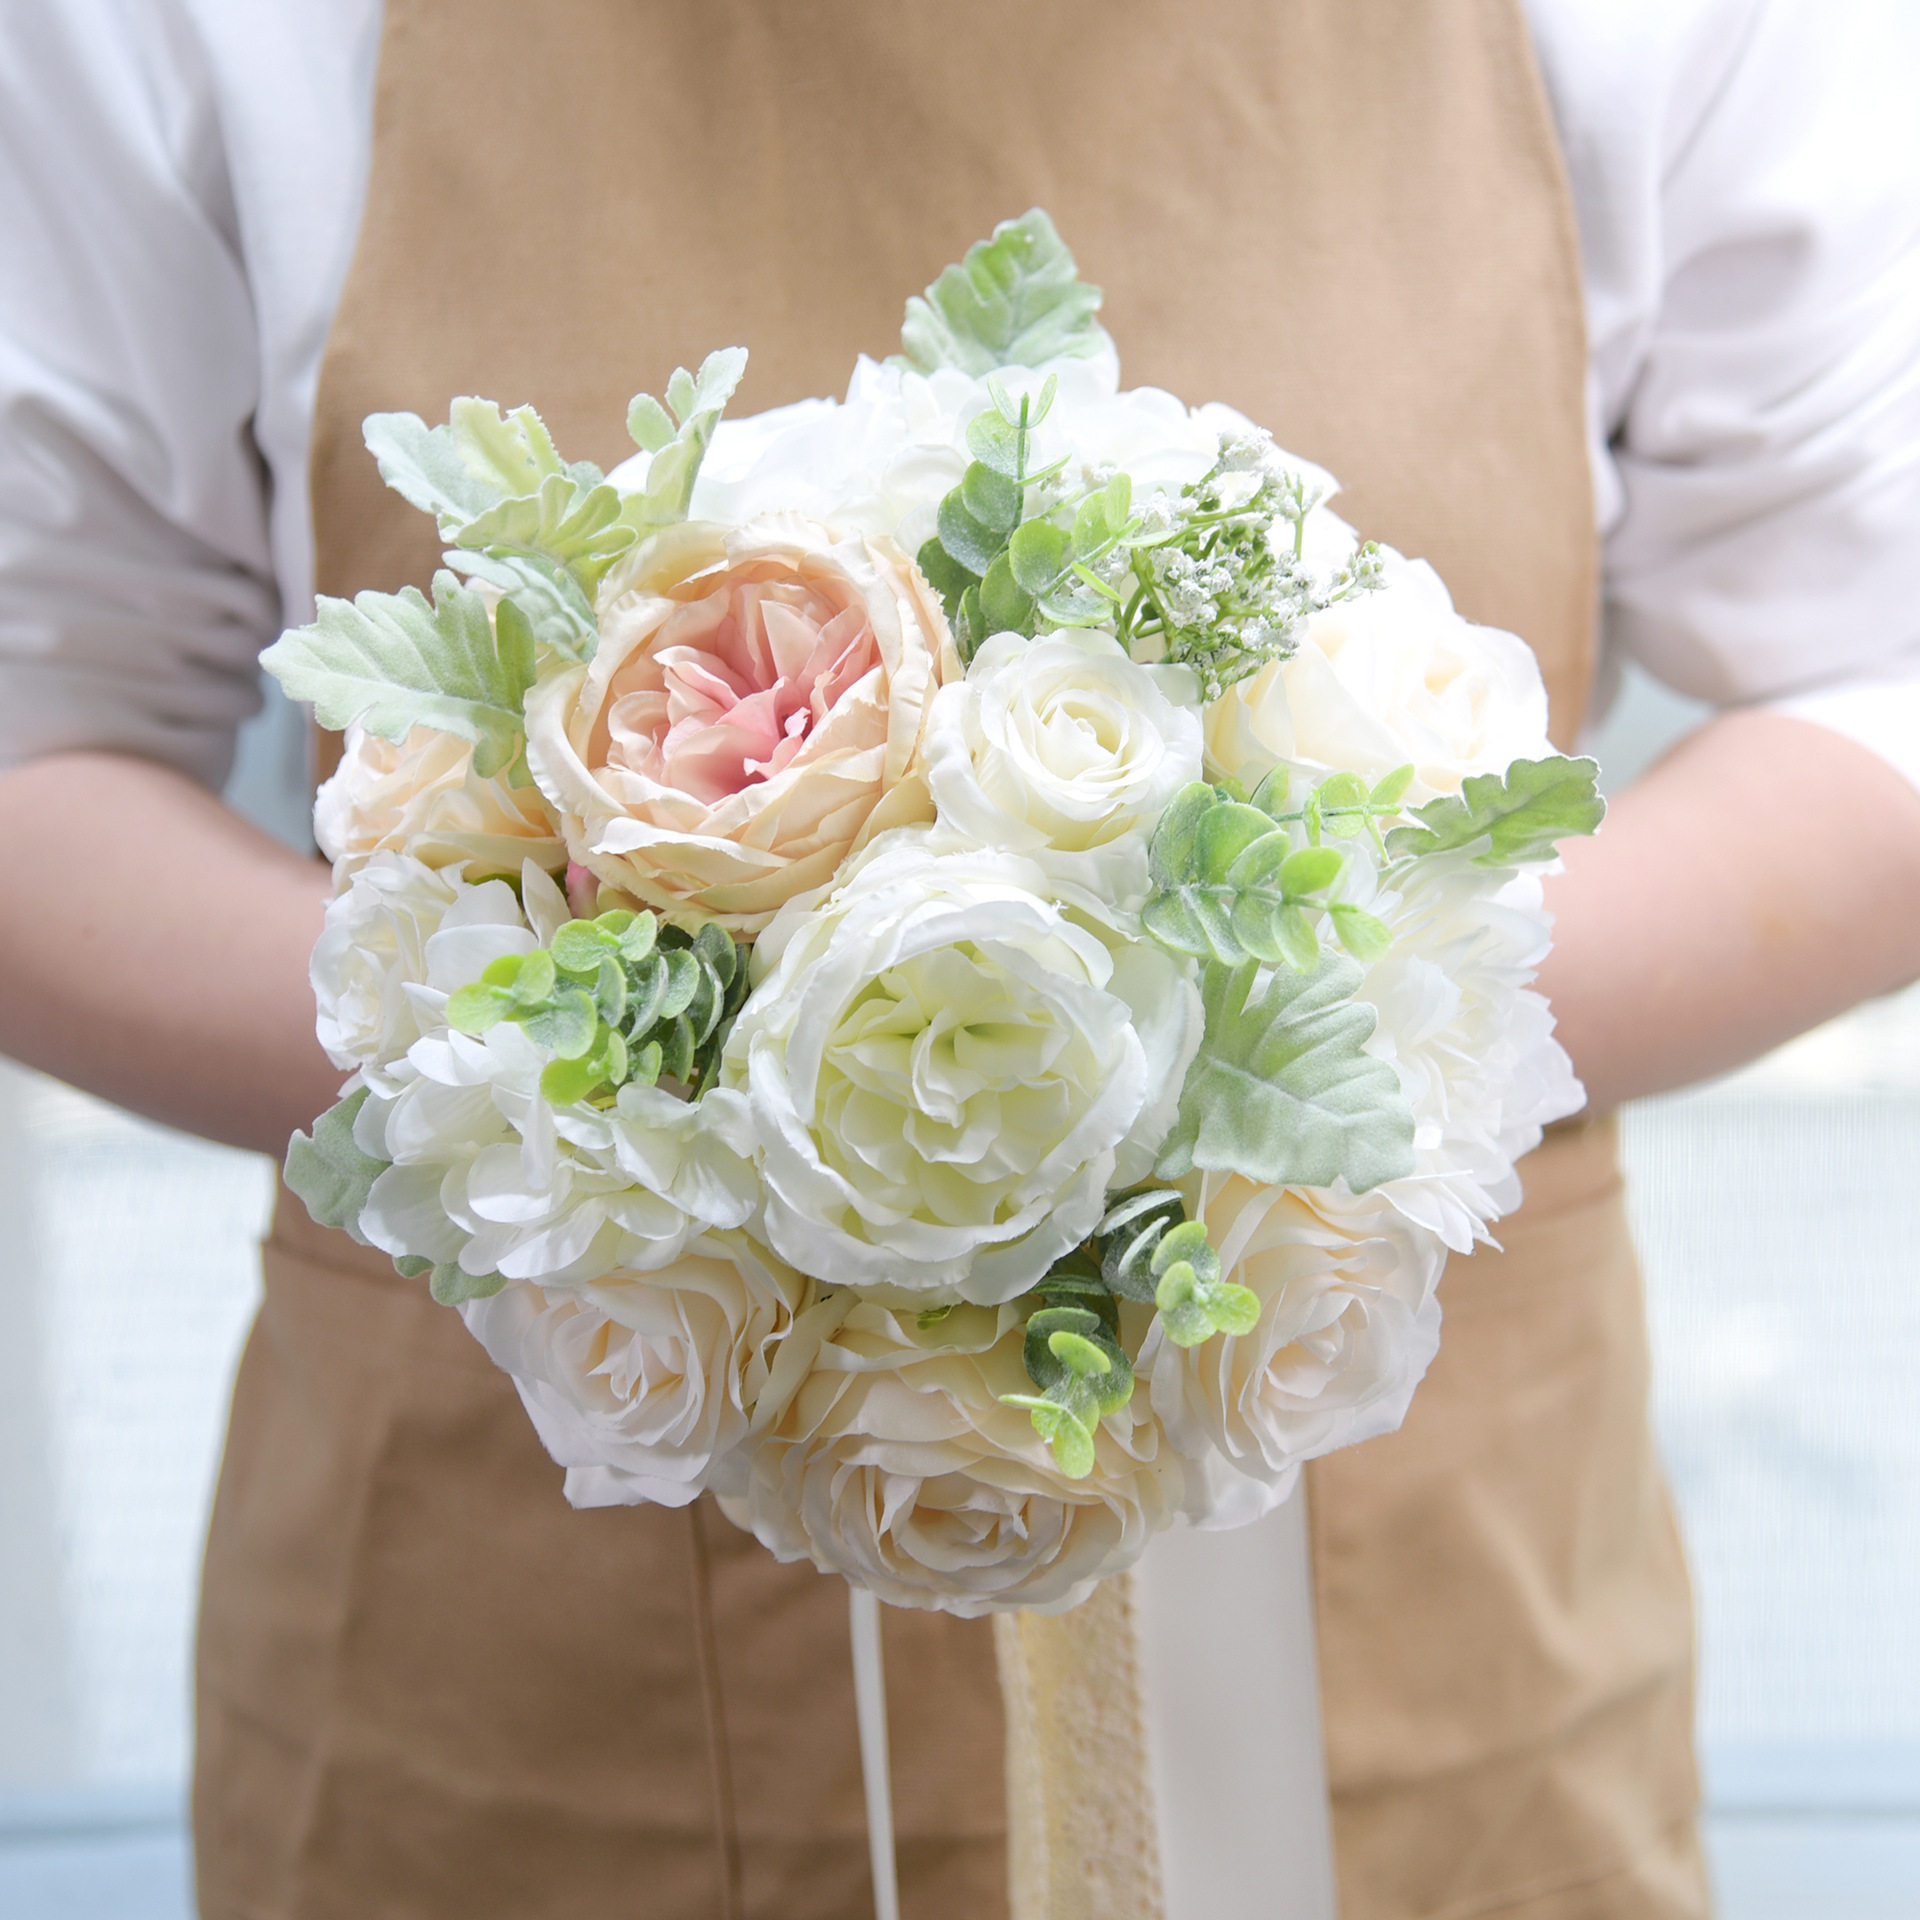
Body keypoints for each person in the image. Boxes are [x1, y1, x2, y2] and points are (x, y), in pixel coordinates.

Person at [4, 1, 1920, 1916]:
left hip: (1432, 1654)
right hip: (528, 1711)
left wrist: (1232, 1064)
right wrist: (616, 1114)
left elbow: (1879, 673)